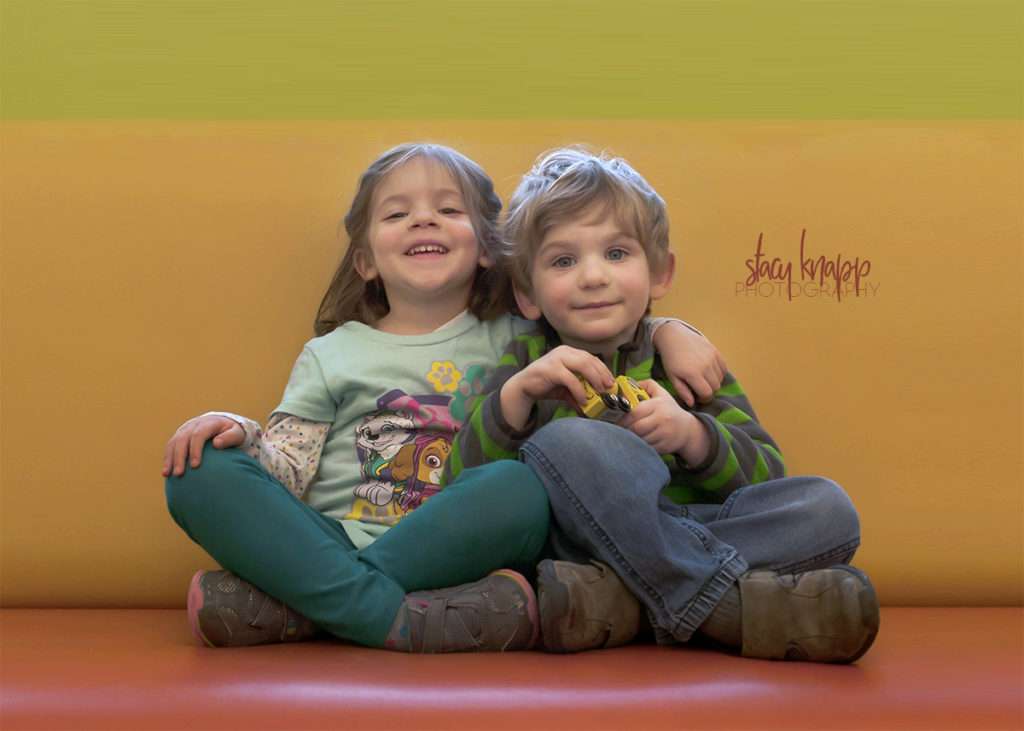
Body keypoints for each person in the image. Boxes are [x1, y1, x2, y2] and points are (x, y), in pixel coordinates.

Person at [162, 142, 724, 654]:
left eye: (448, 210)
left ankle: (304, 605)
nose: (423, 219)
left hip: (461, 548)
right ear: (365, 261)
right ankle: (387, 616)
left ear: (486, 250)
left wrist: (672, 330)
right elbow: (288, 469)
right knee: (197, 468)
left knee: (520, 486)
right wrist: (240, 431)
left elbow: (601, 328)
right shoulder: (330, 353)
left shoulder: (520, 337)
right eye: (397, 213)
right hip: (329, 537)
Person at [448, 147, 880, 663]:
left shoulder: (685, 366)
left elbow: (768, 474)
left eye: (616, 254)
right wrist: (516, 396)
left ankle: (621, 602)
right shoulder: (528, 366)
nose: (593, 276)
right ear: (528, 295)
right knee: (568, 440)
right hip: (582, 542)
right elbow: (460, 491)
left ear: (660, 273)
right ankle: (723, 609)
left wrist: (691, 436)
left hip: (676, 533)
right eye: (564, 260)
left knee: (828, 510)